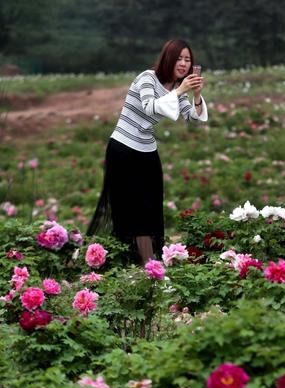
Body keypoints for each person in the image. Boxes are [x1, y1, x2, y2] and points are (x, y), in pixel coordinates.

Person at [87, 39, 208, 264]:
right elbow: (150, 106)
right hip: (123, 148)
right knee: (135, 209)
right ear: (168, 59)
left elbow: (193, 118)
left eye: (188, 60)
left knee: (151, 207)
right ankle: (148, 265)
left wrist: (196, 95)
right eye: (179, 58)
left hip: (146, 150)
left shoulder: (177, 89)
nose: (183, 64)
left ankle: (147, 263)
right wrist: (181, 89)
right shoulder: (147, 78)